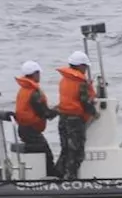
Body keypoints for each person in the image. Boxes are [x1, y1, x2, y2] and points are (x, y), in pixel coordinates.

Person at [54, 50, 98, 180]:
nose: (85, 69)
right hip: (75, 121)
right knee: (76, 152)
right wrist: (94, 113)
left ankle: (58, 174)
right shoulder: (80, 82)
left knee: (65, 150)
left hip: (63, 118)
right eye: (84, 66)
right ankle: (70, 179)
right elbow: (84, 102)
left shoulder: (64, 80)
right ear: (79, 65)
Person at [13, 60, 58, 174]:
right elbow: (44, 113)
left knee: (43, 150)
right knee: (47, 154)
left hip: (23, 129)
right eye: (38, 73)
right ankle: (50, 176)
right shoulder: (34, 93)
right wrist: (60, 110)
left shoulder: (23, 90)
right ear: (35, 74)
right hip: (31, 131)